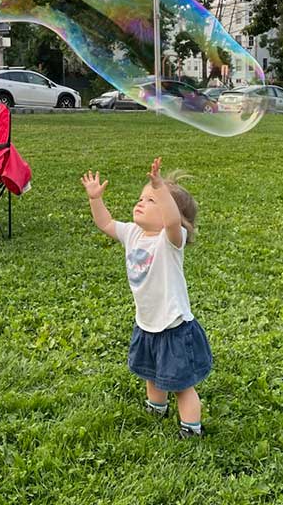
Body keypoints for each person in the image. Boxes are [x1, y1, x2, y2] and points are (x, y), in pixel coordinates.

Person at [81, 157, 212, 439]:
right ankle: (156, 407)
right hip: (147, 323)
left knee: (182, 384)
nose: (141, 202)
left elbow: (173, 220)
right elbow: (105, 223)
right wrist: (95, 199)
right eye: (141, 198)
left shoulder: (170, 241)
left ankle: (191, 428)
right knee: (151, 372)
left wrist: (160, 189)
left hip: (174, 327)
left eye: (151, 201)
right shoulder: (133, 233)